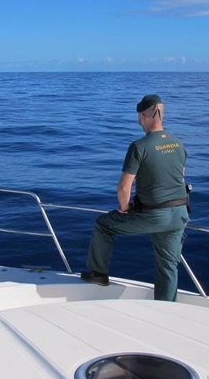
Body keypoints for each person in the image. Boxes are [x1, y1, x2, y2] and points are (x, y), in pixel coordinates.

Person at [81, 94, 189, 301]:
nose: (139, 121)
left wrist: (123, 209)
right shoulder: (178, 144)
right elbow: (180, 178)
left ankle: (98, 274)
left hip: (154, 215)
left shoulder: (139, 146)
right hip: (179, 214)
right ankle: (167, 309)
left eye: (140, 116)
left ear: (144, 116)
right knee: (167, 266)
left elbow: (123, 187)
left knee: (104, 225)